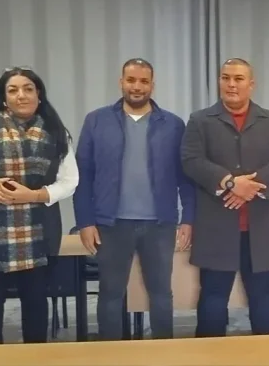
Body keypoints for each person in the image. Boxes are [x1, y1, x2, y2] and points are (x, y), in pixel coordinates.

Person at [0, 67, 79, 344]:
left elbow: (70, 181)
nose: (21, 95)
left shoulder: (56, 132)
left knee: (36, 309)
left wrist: (32, 196)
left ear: (39, 94)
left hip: (39, 232)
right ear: (4, 98)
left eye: (28, 88)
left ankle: (35, 360)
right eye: (13, 90)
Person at [73, 58, 195, 340]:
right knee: (111, 293)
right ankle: (112, 354)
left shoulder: (173, 125)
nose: (137, 87)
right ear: (121, 82)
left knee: (161, 293)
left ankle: (163, 352)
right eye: (131, 80)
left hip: (160, 225)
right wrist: (85, 221)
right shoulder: (97, 121)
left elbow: (185, 177)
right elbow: (83, 175)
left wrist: (188, 218)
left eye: (143, 81)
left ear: (152, 85)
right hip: (111, 224)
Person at [180, 58, 269, 337]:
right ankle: (210, 354)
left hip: (260, 226)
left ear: (251, 85)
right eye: (225, 78)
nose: (231, 84)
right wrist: (230, 183)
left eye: (238, 79)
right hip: (216, 226)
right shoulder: (200, 120)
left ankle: (266, 353)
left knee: (263, 294)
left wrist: (251, 186)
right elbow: (190, 160)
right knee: (212, 296)